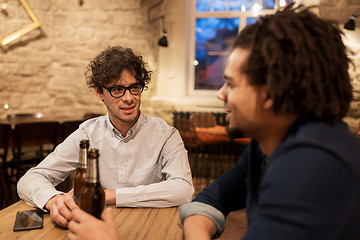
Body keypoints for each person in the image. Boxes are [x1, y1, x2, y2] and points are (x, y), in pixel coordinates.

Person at [66, 4, 360, 240]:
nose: (220, 94)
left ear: (272, 92)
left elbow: (186, 194)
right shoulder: (264, 148)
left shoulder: (315, 170)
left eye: (231, 83)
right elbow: (208, 198)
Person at [17, 46, 194, 228]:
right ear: (99, 92)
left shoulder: (166, 135)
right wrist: (53, 200)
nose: (128, 98)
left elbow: (183, 189)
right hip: (97, 228)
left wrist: (108, 195)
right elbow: (30, 179)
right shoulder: (87, 134)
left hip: (148, 226)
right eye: (117, 90)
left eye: (134, 87)